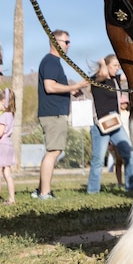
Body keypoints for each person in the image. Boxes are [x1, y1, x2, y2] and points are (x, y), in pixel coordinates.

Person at [34, 30, 89, 199]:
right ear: (56, 42)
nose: (69, 45)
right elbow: (50, 87)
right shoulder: (51, 61)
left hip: (55, 113)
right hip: (53, 114)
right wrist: (73, 87)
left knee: (53, 151)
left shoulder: (54, 62)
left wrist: (72, 93)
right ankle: (45, 193)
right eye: (66, 42)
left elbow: (54, 87)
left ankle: (40, 190)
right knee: (54, 151)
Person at [86, 55, 133, 194]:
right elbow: (101, 75)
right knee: (98, 159)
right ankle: (93, 191)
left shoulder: (116, 80)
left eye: (118, 66)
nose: (117, 68)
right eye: (114, 65)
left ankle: (131, 187)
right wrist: (102, 63)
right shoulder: (97, 80)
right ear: (106, 66)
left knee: (129, 153)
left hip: (115, 122)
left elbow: (130, 75)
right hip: (101, 124)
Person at [0, 88, 16, 207]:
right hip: (8, 145)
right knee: (7, 173)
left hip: (0, 145)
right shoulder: (11, 115)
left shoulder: (4, 115)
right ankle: (11, 198)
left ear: (4, 101)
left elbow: (0, 132)